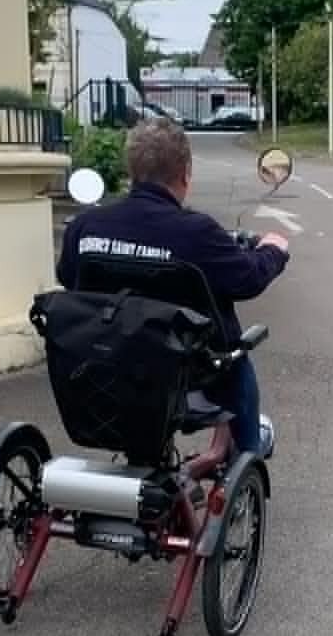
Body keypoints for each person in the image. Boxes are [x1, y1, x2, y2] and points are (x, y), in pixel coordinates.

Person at [56, 120, 290, 458]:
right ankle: (248, 455)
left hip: (102, 366)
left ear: (131, 171)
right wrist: (273, 250)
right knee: (237, 359)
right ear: (185, 174)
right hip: (186, 374)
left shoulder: (84, 227)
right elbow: (247, 278)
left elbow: (68, 277)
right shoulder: (196, 233)